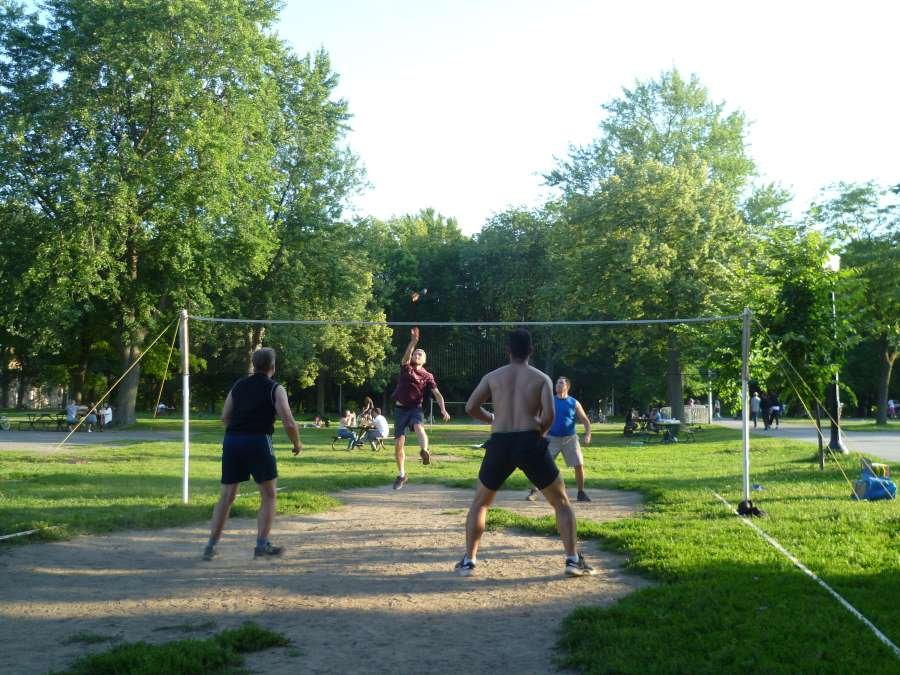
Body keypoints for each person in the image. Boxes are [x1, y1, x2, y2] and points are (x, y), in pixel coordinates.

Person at [456, 328, 595, 578]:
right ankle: (573, 560)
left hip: (500, 442)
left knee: (480, 503)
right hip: (530, 440)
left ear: (507, 351)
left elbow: (471, 407)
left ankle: (469, 561)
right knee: (561, 502)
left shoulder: (493, 377)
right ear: (531, 350)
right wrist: (538, 432)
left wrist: (493, 419)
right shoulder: (541, 378)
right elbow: (549, 415)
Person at [202, 347, 302, 561]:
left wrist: (240, 429)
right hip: (258, 441)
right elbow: (288, 421)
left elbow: (225, 416)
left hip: (232, 441)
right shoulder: (275, 388)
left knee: (226, 495)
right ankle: (261, 545)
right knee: (269, 495)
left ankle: (210, 547)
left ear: (254, 365)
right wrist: (296, 443)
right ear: (273, 367)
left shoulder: (238, 385)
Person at [391, 327, 450, 489]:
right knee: (398, 444)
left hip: (415, 409)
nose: (417, 355)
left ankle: (424, 451)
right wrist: (413, 342)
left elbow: (437, 394)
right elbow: (406, 356)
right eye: (415, 353)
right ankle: (402, 475)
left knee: (418, 427)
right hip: (400, 410)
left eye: (420, 354)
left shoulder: (427, 376)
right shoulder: (406, 367)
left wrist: (443, 409)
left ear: (424, 360)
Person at [526, 376, 592, 502]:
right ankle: (534, 491)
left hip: (570, 438)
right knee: (540, 465)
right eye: (557, 383)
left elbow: (585, 420)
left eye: (561, 383)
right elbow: (539, 418)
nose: (557, 385)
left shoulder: (574, 402)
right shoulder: (549, 401)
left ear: (567, 387)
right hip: (552, 438)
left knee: (579, 464)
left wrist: (588, 435)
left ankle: (581, 492)